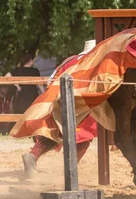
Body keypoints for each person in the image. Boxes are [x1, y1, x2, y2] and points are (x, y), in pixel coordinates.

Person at [21, 40, 98, 178]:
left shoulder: (69, 61)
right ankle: (70, 171)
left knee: (55, 133)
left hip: (58, 99)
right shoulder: (93, 62)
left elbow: (51, 80)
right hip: (81, 104)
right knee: (84, 137)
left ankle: (32, 156)